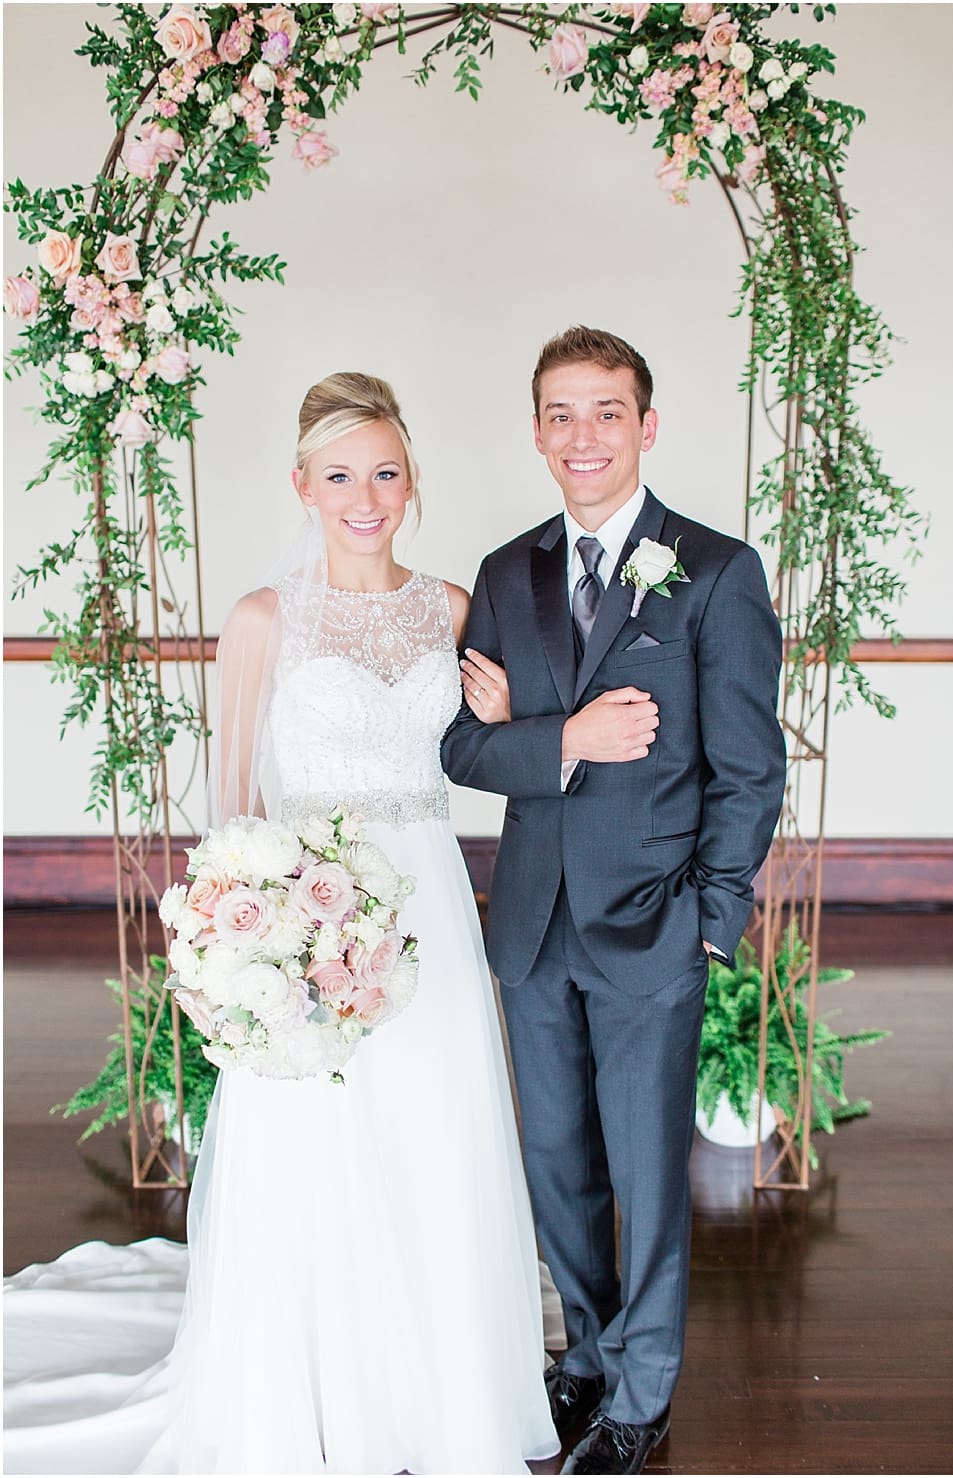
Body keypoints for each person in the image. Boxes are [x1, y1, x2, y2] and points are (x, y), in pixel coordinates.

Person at [2, 373, 559, 1473]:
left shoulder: (452, 607)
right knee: (317, 1145)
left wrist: (509, 713)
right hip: (304, 908)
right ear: (301, 485)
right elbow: (234, 804)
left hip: (429, 906)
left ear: (413, 482)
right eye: (343, 474)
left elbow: (490, 748)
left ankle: (442, 1393)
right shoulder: (263, 618)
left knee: (434, 1132)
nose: (368, 496)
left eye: (387, 472)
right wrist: (241, 943)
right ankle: (314, 1390)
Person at [440, 325, 785, 1475]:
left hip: (655, 925)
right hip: (532, 923)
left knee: (645, 1170)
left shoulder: (716, 571)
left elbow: (749, 766)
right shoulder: (506, 572)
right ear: (536, 429)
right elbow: (462, 751)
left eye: (605, 411)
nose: (581, 436)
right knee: (559, 1165)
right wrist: (564, 739)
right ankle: (585, 1355)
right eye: (559, 413)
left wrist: (711, 914)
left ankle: (643, 1393)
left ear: (646, 424)